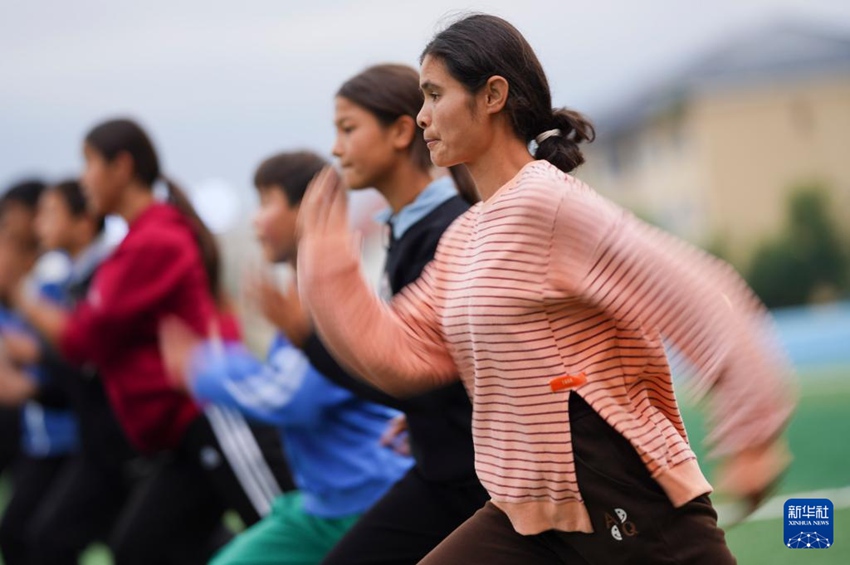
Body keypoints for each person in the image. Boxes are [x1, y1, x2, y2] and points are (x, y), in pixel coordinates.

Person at [296, 14, 795, 564]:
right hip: (527, 512)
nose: (421, 116)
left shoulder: (546, 205)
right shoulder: (466, 234)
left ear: (492, 95)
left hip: (619, 495)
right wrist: (329, 277)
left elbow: (697, 293)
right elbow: (405, 354)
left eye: (435, 94)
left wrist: (754, 433)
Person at [14, 118, 292, 564]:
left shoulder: (155, 241)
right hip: (178, 438)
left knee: (286, 534)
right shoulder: (137, 242)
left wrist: (16, 295)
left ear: (121, 167)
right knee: (140, 549)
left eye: (89, 163)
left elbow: (83, 339)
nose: (83, 179)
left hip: (214, 419)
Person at [161, 150, 412, 565]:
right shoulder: (303, 296)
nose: (256, 221)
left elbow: (290, 399)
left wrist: (202, 367)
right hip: (324, 505)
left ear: (306, 210)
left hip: (365, 503)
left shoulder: (332, 300)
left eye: (265, 202)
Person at [291, 64, 489, 565]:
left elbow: (412, 373)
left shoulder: (447, 230)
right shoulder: (410, 229)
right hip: (444, 468)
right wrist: (428, 412)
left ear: (402, 132)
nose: (336, 149)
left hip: (473, 481)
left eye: (348, 129)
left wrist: (307, 337)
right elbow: (435, 370)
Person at [0, 180, 79, 565]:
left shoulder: (57, 273)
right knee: (20, 533)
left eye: (10, 218)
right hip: (41, 434)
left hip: (72, 434)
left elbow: (57, 346)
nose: (6, 229)